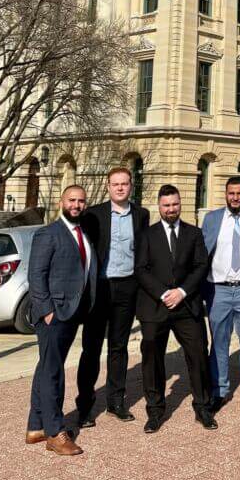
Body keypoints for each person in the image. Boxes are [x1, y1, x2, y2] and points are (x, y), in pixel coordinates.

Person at [134, 184, 217, 433]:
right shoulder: (147, 235)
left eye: (175, 204)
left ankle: (203, 407)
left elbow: (201, 265)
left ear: (180, 204)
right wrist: (163, 293)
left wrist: (181, 292)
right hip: (155, 306)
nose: (171, 209)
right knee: (152, 358)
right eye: (167, 205)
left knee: (199, 354)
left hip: (186, 304)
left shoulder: (194, 234)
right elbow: (141, 269)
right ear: (159, 207)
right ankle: (155, 410)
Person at [26, 185, 98, 456]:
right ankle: (56, 432)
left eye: (80, 201)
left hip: (72, 312)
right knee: (53, 372)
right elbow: (36, 275)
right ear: (61, 202)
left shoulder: (81, 233)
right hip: (54, 314)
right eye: (72, 200)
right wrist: (47, 310)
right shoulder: (49, 233)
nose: (76, 205)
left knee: (46, 367)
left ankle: (36, 427)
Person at [76, 167, 150, 427]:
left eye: (125, 184)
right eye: (115, 184)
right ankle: (84, 405)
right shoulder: (93, 215)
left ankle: (115, 401)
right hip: (100, 287)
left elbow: (143, 252)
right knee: (92, 347)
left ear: (131, 186)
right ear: (108, 186)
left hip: (127, 287)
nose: (120, 188)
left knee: (118, 347)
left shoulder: (141, 215)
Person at [201, 176, 240, 414]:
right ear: (225, 194)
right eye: (231, 193)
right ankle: (219, 390)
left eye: (239, 193)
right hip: (219, 290)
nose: (235, 197)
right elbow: (202, 255)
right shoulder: (212, 219)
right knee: (219, 342)